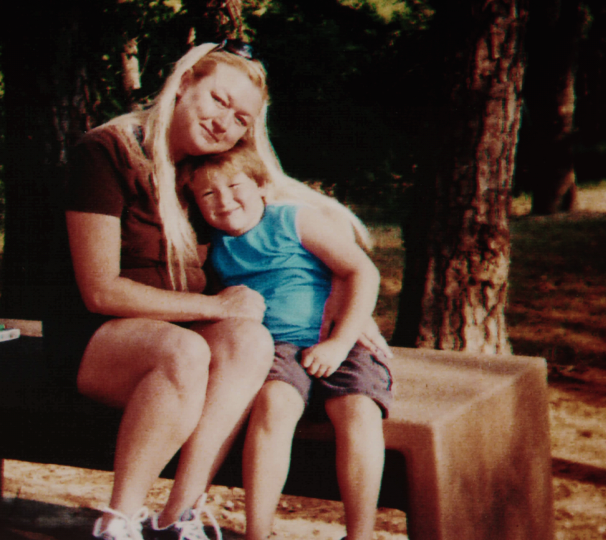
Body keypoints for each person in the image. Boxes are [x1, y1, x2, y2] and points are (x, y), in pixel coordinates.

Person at [44, 40, 391, 540]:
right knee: (184, 350)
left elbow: (296, 237)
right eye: (218, 100)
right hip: (95, 341)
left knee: (250, 341)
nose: (224, 121)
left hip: (178, 334)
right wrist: (214, 305)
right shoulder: (107, 151)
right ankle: (118, 521)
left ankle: (177, 516)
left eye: (242, 118)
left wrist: (341, 305)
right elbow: (99, 291)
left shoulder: (210, 174)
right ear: (183, 85)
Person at [177, 143, 393, 540]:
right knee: (273, 405)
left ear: (262, 186)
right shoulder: (213, 247)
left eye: (234, 185)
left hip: (339, 337)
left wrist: (341, 342)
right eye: (208, 194)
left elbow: (362, 271)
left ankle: (359, 535)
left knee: (359, 411)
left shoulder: (293, 220)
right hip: (276, 350)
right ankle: (258, 532)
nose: (224, 201)